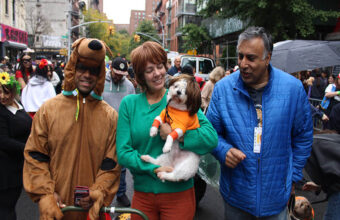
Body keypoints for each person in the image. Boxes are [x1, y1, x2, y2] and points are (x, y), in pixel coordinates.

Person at [206, 26, 313, 219]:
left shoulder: (293, 89)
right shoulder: (223, 89)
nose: (243, 64)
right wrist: (223, 150)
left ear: (267, 58)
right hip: (235, 199)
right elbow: (209, 132)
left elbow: (303, 137)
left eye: (251, 58)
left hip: (276, 201)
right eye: (240, 56)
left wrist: (293, 177)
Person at [116, 41, 218, 220]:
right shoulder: (129, 104)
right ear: (140, 75)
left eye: (160, 66)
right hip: (143, 196)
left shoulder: (181, 98)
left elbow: (210, 139)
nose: (157, 73)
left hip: (179, 195)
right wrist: (152, 168)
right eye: (149, 70)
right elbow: (123, 152)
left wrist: (179, 134)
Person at [23, 38, 121, 220]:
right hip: (55, 212)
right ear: (72, 68)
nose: (87, 75)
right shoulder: (48, 110)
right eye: (82, 68)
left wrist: (99, 191)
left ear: (99, 74)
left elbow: (111, 164)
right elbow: (35, 156)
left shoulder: (110, 117)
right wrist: (46, 195)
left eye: (93, 70)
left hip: (91, 214)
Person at [102, 57, 135, 207]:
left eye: (122, 74)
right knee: (101, 162)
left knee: (121, 165)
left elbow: (133, 107)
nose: (119, 77)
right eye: (116, 74)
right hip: (103, 130)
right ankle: (102, 192)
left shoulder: (129, 86)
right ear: (110, 69)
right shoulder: (101, 82)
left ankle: (121, 193)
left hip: (122, 130)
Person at [0, 72, 32, 220]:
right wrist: (29, 148)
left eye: (6, 92)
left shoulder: (18, 104)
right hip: (5, 170)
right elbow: (4, 141)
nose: (2, 96)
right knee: (6, 210)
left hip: (18, 167)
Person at [303, 130, 340, 220]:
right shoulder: (328, 139)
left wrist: (319, 183)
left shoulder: (310, 146)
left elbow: (319, 176)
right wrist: (319, 186)